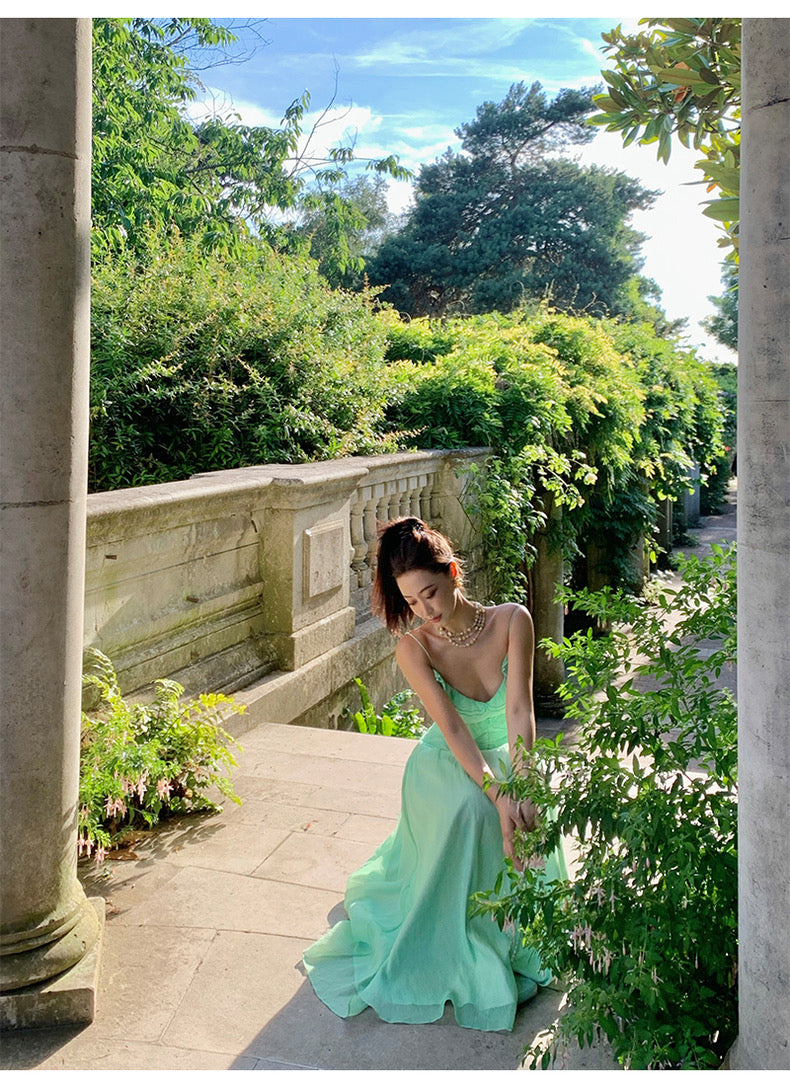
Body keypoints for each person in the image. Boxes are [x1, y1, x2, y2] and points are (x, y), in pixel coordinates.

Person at [302, 515, 567, 1032]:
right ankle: (459, 933)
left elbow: (520, 710)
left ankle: (522, 928)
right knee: (473, 809)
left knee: (538, 808)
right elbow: (453, 729)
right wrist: (499, 798)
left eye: (429, 592)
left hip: (507, 751)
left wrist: (525, 784)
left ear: (452, 573)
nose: (425, 609)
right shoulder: (414, 647)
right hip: (448, 760)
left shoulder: (513, 620)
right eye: (412, 601)